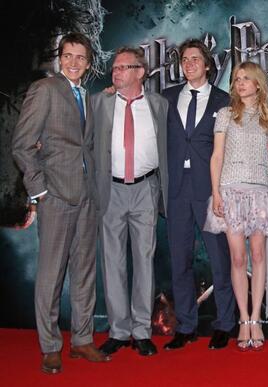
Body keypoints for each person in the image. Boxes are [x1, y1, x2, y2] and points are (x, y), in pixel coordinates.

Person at [11, 32, 110, 374]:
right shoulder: (46, 89)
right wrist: (40, 192)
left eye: (81, 57)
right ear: (59, 57)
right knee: (51, 276)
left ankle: (82, 340)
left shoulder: (87, 95)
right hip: (55, 197)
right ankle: (50, 346)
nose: (74, 62)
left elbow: (88, 149)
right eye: (68, 56)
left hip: (86, 199)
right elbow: (22, 145)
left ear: (88, 62)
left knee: (84, 274)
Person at [92, 47, 168, 357]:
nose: (117, 71)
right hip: (110, 190)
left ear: (140, 72)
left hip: (145, 189)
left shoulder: (159, 105)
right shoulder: (99, 102)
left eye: (124, 67)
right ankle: (119, 331)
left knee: (144, 261)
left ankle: (141, 330)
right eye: (115, 67)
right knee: (112, 262)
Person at [162, 39, 235, 350]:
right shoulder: (165, 98)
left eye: (195, 59)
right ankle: (187, 326)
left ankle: (225, 324)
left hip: (209, 189)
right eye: (185, 59)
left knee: (220, 259)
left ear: (207, 65)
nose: (189, 64)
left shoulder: (224, 100)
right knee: (180, 260)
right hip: (176, 189)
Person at [205, 61, 268, 351]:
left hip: (261, 191)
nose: (241, 83)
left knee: (259, 254)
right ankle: (244, 320)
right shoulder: (225, 114)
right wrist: (217, 193)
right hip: (231, 190)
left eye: (246, 78)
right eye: (236, 79)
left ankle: (257, 318)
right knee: (238, 258)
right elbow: (216, 157)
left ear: (258, 83)